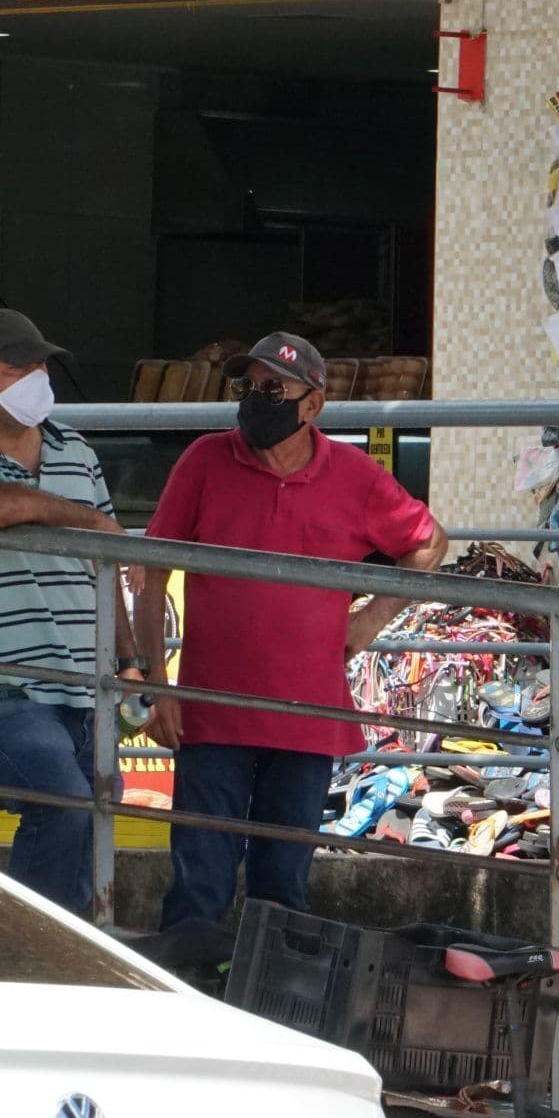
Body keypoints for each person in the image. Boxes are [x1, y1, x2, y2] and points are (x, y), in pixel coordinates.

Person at [139, 332, 449, 930]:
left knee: (282, 887)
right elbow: (152, 569)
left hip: (306, 715)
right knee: (199, 877)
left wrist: (370, 618)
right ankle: (191, 1002)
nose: (258, 398)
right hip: (212, 709)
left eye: (273, 388)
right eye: (249, 386)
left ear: (312, 405)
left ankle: (266, 1008)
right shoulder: (206, 459)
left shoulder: (353, 475)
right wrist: (158, 684)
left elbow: (429, 542)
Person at [0, 309, 141, 915]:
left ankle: (69, 952)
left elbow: (106, 569)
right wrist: (87, 519)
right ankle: (33, 959)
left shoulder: (76, 453)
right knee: (62, 798)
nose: (36, 379)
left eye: (40, 366)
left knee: (88, 819)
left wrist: (132, 663)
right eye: (16, 370)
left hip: (89, 691)